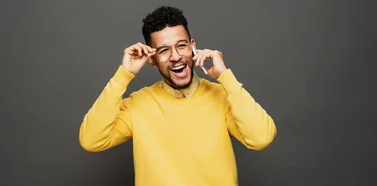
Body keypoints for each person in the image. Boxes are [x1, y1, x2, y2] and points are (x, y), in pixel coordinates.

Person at [78, 6, 277, 186]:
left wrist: (226, 77)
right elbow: (91, 140)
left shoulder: (223, 96)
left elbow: (261, 137)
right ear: (152, 60)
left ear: (192, 47)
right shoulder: (138, 104)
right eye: (164, 50)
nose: (175, 56)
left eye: (181, 45)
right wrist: (123, 75)